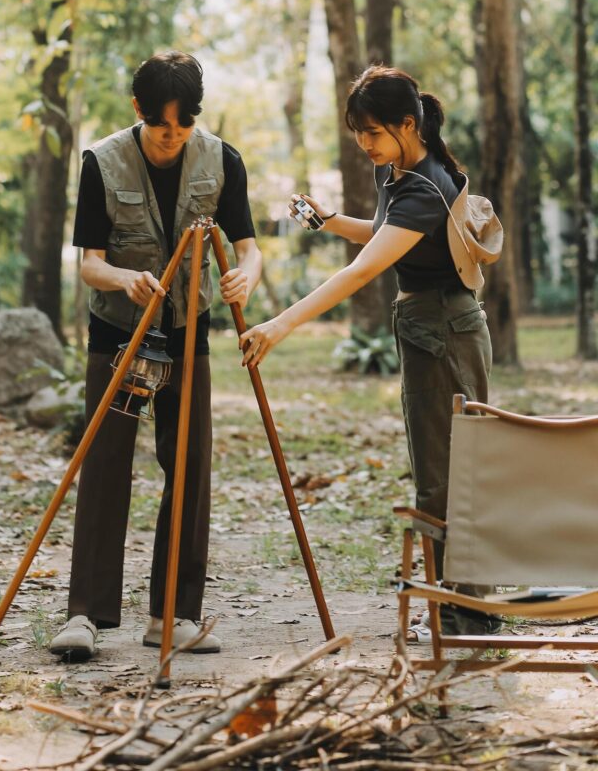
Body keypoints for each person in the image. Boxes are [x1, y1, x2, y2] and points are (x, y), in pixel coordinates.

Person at [239, 65, 498, 639]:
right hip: (427, 324)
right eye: (358, 134)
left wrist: (280, 325)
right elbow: (382, 235)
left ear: (408, 124)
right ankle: (460, 600)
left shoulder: (425, 185)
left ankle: (469, 607)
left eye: (373, 133)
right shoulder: (400, 172)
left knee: (450, 469)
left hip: (444, 328)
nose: (365, 145)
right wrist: (330, 221)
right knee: (441, 465)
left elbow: (363, 272)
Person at [50, 51, 262, 661]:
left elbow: (247, 247)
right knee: (106, 466)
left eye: (185, 123)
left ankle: (175, 614)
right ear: (139, 110)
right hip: (119, 332)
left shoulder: (222, 160)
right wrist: (123, 279)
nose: (173, 136)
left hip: (189, 329)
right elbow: (89, 262)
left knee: (190, 465)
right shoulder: (101, 161)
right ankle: (85, 615)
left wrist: (244, 275)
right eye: (163, 123)